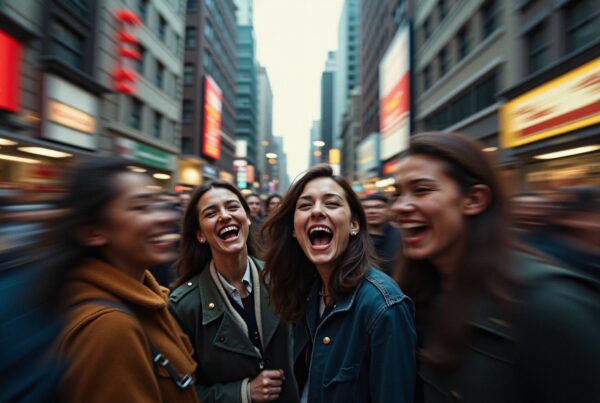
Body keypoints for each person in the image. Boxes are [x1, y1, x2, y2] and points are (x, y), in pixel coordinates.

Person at [391, 132, 600, 403]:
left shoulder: (548, 304)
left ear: (474, 199)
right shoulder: (416, 296)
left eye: (421, 190)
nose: (399, 207)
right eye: (397, 194)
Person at [261, 164, 416, 403]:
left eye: (331, 204)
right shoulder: (308, 293)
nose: (317, 211)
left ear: (354, 224)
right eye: (305, 205)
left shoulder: (384, 306)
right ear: (293, 230)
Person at [50, 158, 199, 403]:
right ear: (93, 232)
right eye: (141, 207)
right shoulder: (109, 328)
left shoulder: (154, 298)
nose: (164, 217)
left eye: (157, 204)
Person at [170, 180, 298, 403]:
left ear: (247, 218)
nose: (224, 216)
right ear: (200, 234)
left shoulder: (282, 280)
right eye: (211, 213)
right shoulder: (184, 306)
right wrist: (244, 392)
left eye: (232, 207)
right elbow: (181, 392)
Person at [360, 193, 401, 275]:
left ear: (389, 210)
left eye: (378, 207)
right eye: (366, 208)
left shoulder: (402, 236)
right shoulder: (353, 238)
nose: (372, 211)